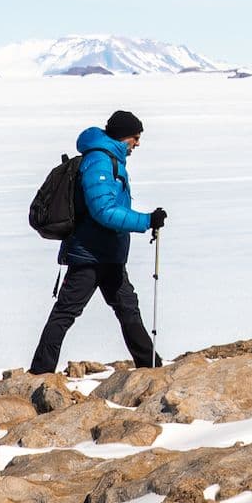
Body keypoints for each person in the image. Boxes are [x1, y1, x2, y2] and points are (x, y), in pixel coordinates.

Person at [29, 109, 165, 375]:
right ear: (123, 136)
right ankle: (39, 373)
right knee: (66, 313)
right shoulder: (100, 162)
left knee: (127, 308)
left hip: (107, 254)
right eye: (135, 137)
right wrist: (146, 221)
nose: (137, 143)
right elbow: (103, 210)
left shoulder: (110, 159)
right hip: (89, 255)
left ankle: (151, 367)